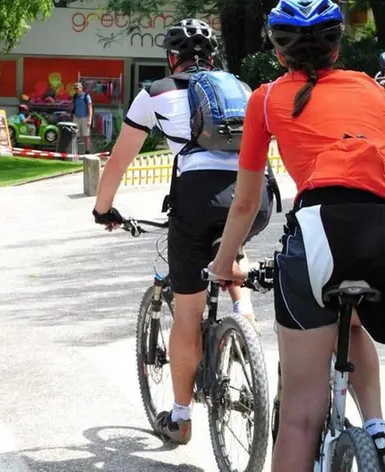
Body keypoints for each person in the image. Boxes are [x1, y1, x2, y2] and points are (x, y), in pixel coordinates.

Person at [205, 1, 385, 471]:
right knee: (353, 320)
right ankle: (376, 430)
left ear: (277, 49)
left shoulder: (266, 98)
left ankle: (351, 434)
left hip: (320, 235)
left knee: (301, 418)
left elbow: (245, 203)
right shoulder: (373, 89)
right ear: (337, 45)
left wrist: (224, 263)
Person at [91, 18, 273, 445]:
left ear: (172, 58)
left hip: (196, 198)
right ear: (213, 58)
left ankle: (181, 416)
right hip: (255, 196)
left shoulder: (155, 93)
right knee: (230, 243)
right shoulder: (240, 89)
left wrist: (104, 210)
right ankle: (246, 324)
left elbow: (118, 161)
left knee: (188, 311)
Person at [72, 82, 93, 153]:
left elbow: (90, 107)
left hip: (85, 118)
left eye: (77, 88)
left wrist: (90, 119)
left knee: (86, 135)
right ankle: (75, 151)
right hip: (76, 117)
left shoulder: (86, 96)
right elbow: (73, 106)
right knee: (75, 135)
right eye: (75, 89)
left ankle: (87, 151)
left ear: (81, 88)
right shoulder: (75, 96)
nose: (76, 90)